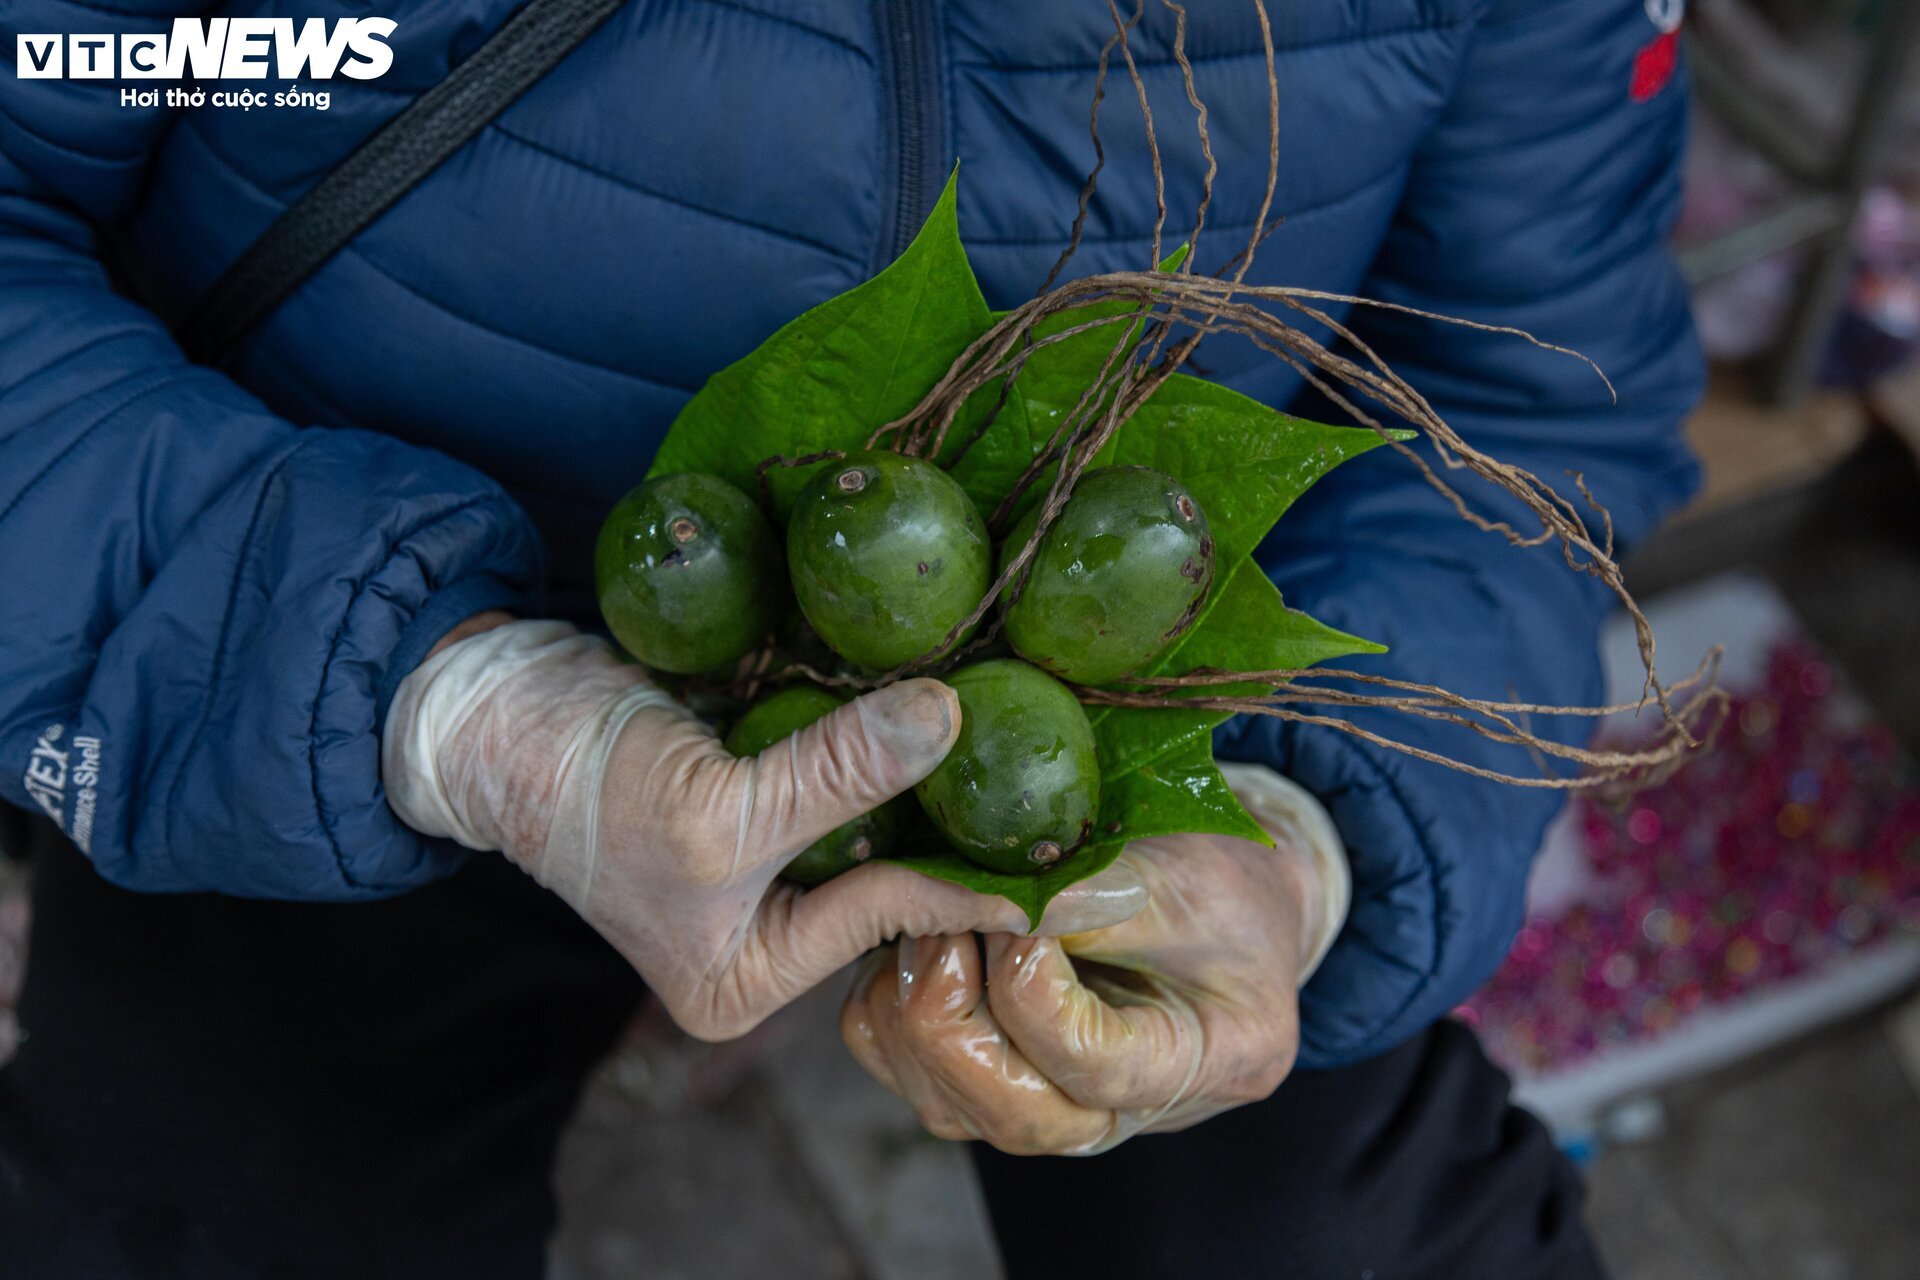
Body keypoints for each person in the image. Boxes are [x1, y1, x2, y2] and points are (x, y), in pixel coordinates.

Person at [0, 1, 1703, 1276]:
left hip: (1113, 747)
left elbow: (1531, 395)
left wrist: (1308, 842)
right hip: (311, 657)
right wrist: (452, 713)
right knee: (207, 1215)